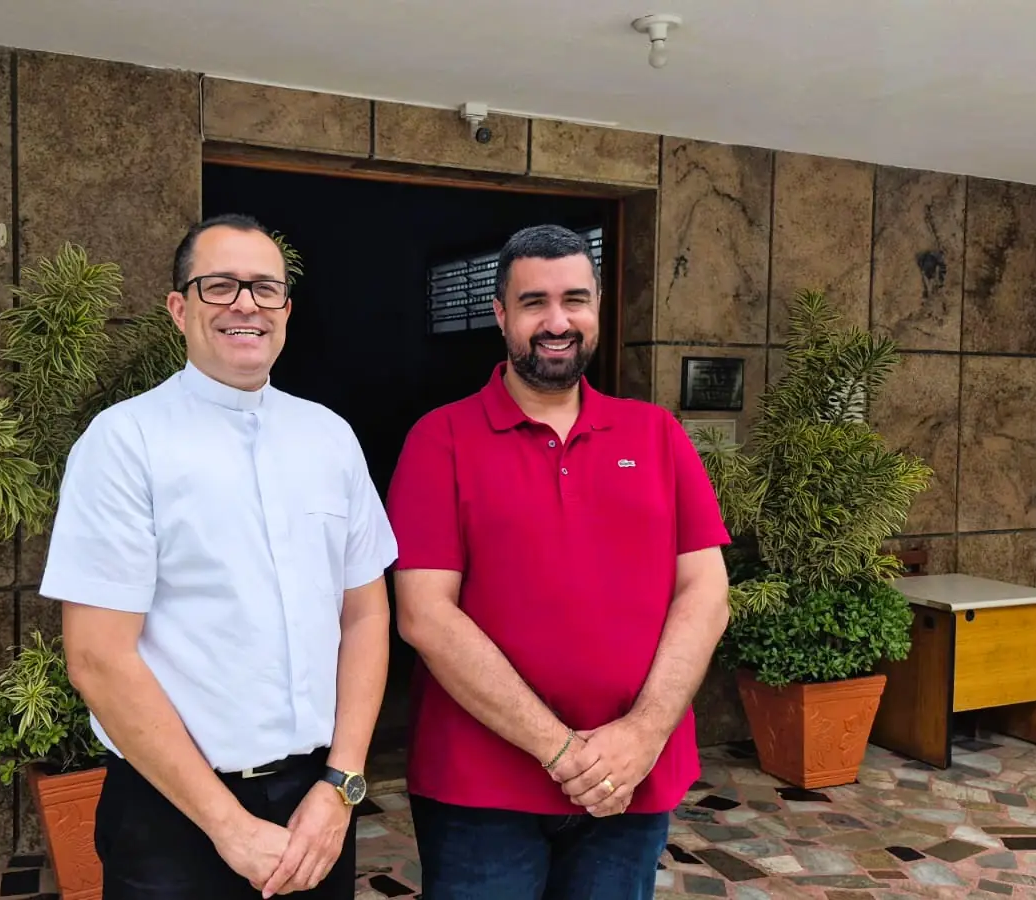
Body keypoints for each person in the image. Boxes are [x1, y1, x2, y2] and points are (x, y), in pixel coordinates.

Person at [40, 213, 397, 900]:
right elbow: (97, 657)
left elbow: (365, 615)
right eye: (220, 285)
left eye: (265, 288)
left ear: (286, 309)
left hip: (316, 804)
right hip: (173, 814)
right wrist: (228, 826)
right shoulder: (124, 443)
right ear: (179, 309)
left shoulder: (330, 438)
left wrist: (343, 783)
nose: (245, 304)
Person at [384, 223, 732, 899]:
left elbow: (706, 593)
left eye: (574, 299)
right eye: (533, 302)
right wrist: (563, 751)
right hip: (480, 789)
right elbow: (424, 615)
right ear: (500, 314)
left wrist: (643, 734)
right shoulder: (441, 439)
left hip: (631, 777)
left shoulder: (657, 434)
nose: (556, 321)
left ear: (597, 307)